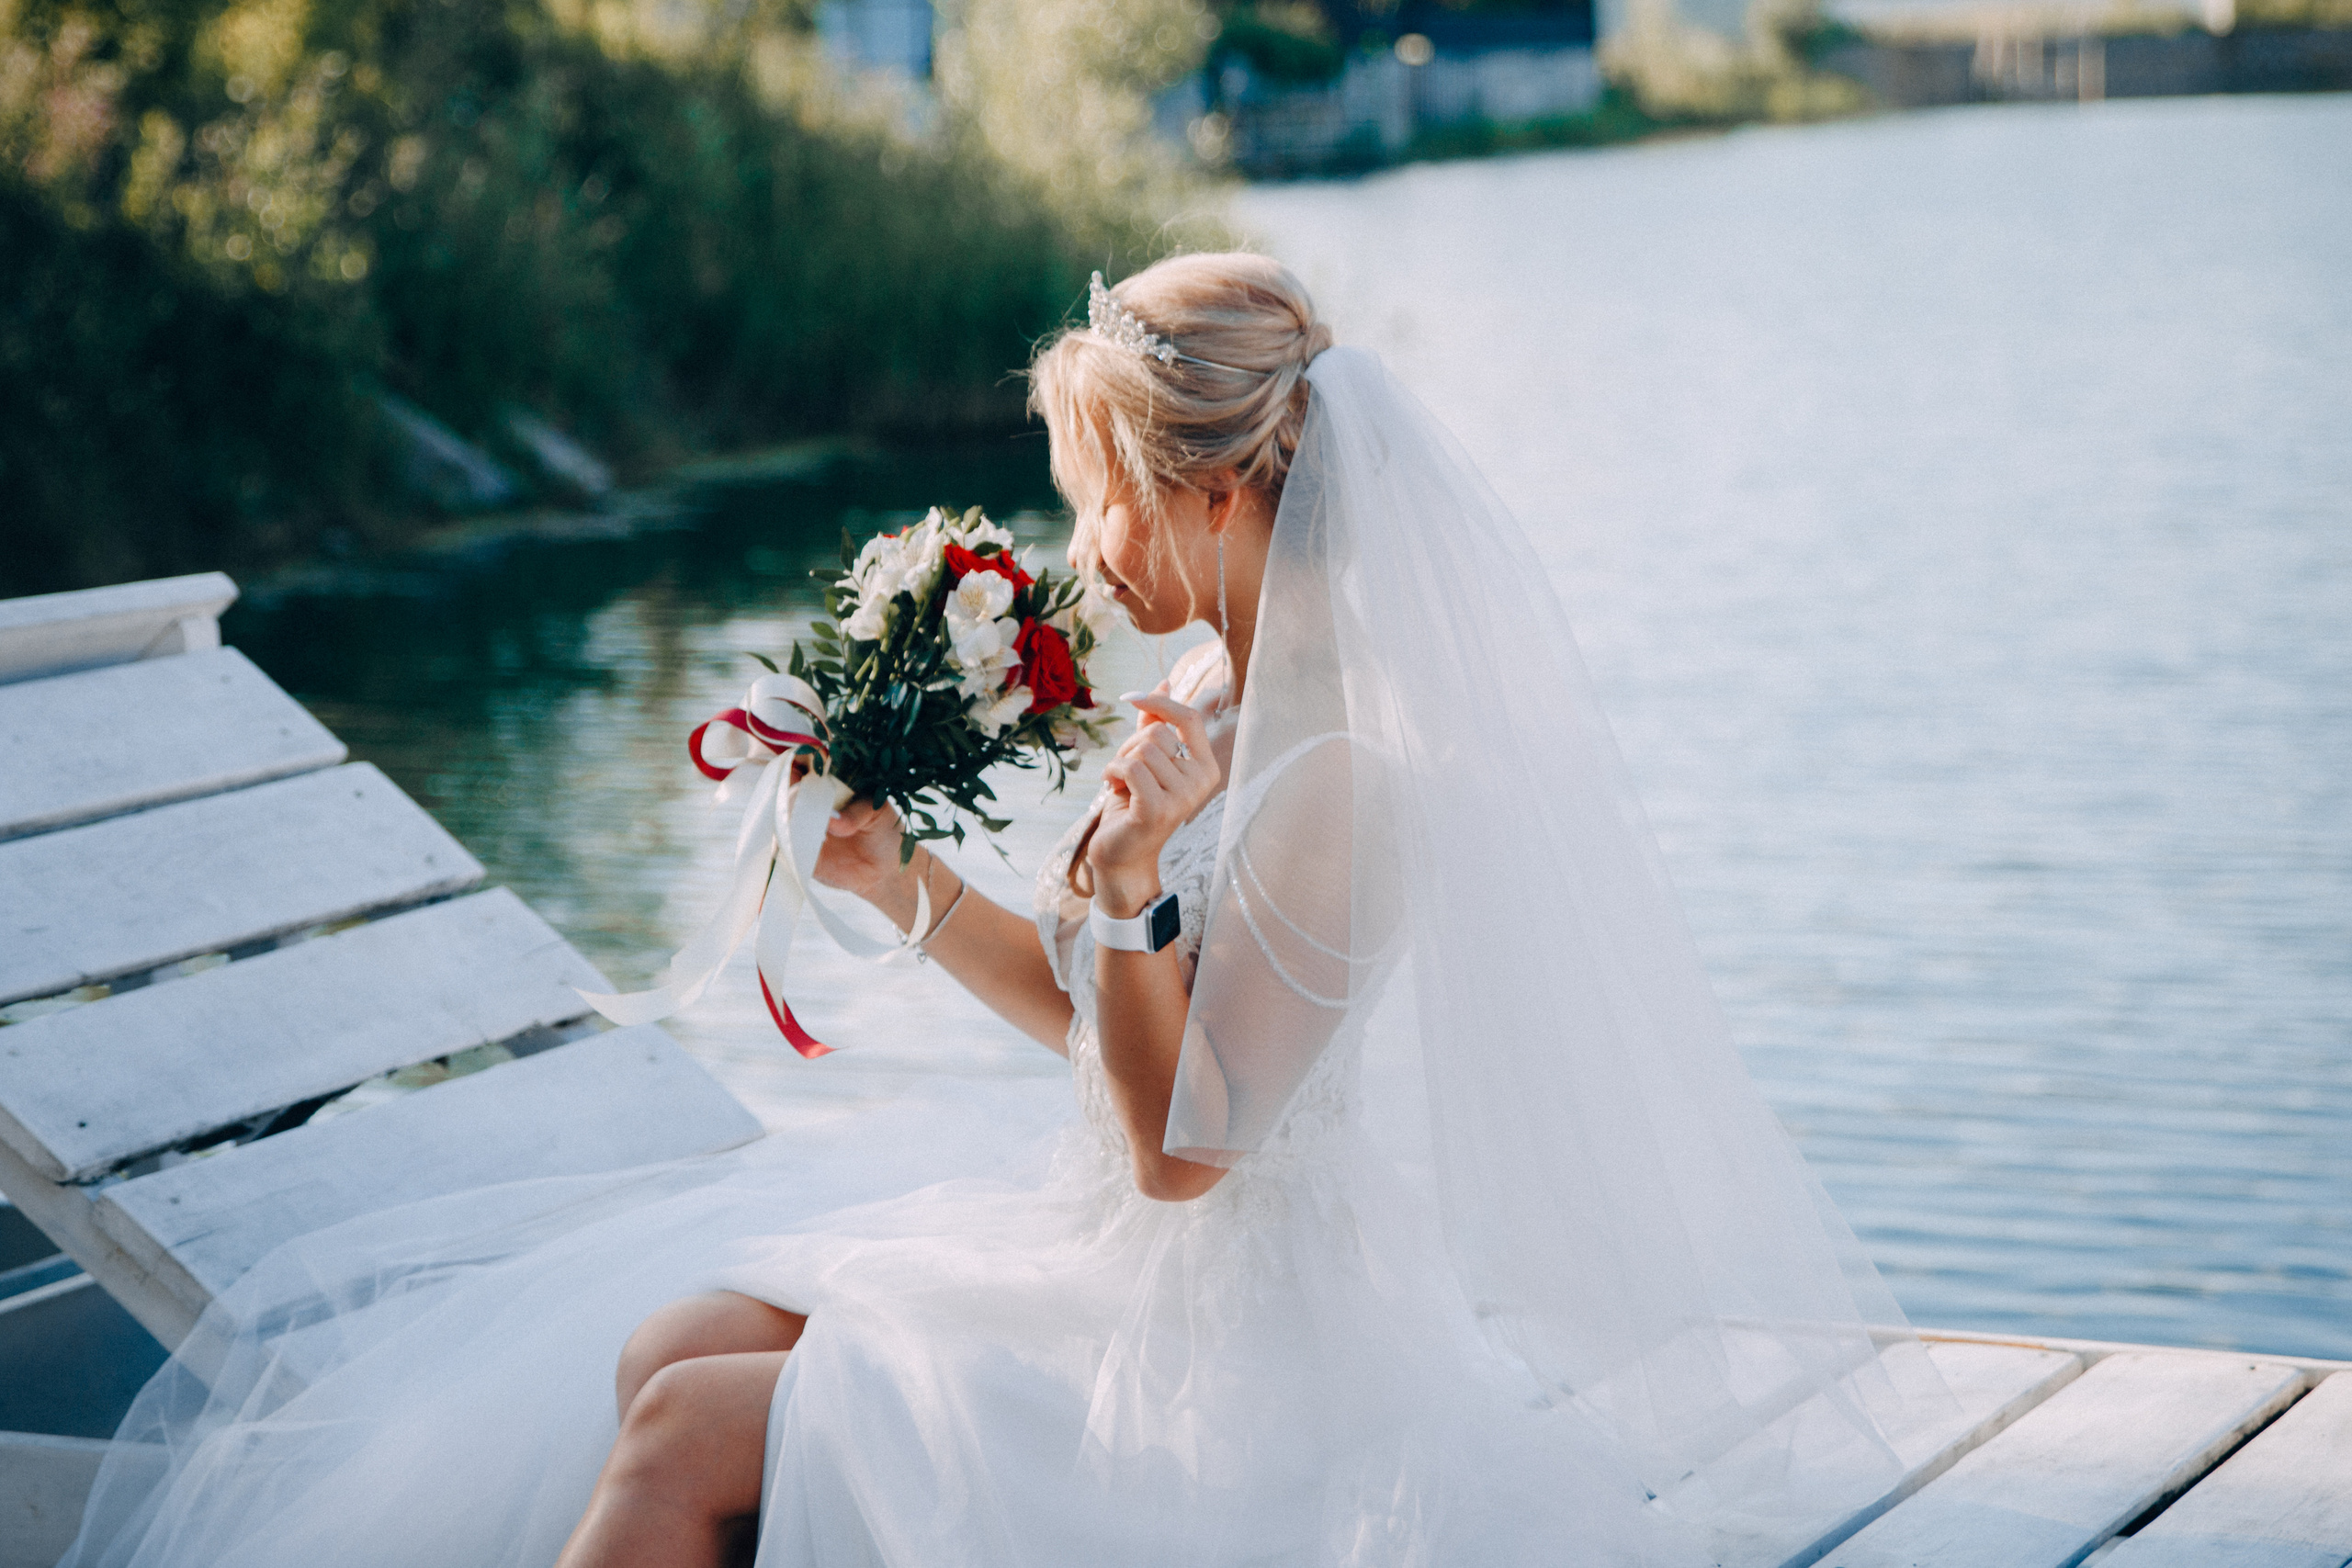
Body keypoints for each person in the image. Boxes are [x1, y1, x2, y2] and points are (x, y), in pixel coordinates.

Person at [62, 253, 1953, 1568]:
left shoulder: (1341, 776)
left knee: (680, 1433)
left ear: (1202, 488)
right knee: (674, 1340)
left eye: (1096, 496)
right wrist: (910, 887)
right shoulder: (1222, 704)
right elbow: (1099, 1024)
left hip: (1233, 1357)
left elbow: (1189, 1153)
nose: (1078, 548)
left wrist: (1130, 888)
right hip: (1111, 1266)